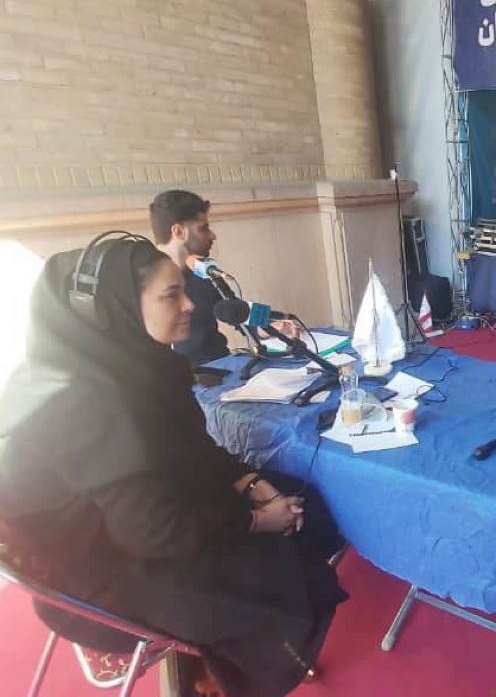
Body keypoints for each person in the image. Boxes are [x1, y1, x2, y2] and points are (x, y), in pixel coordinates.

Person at [0, 235, 347, 696]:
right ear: (113, 309)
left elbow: (190, 450)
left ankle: (233, 659)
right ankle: (215, 676)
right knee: (286, 567)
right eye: (170, 296)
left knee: (309, 505)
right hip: (98, 573)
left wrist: (250, 482)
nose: (189, 306)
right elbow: (157, 532)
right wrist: (259, 520)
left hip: (133, 522)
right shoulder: (89, 402)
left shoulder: (133, 365)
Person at [150, 190, 229, 366]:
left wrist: (272, 324)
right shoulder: (143, 282)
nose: (212, 236)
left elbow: (237, 310)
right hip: (178, 376)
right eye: (203, 228)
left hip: (223, 367)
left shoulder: (205, 271)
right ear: (179, 232)